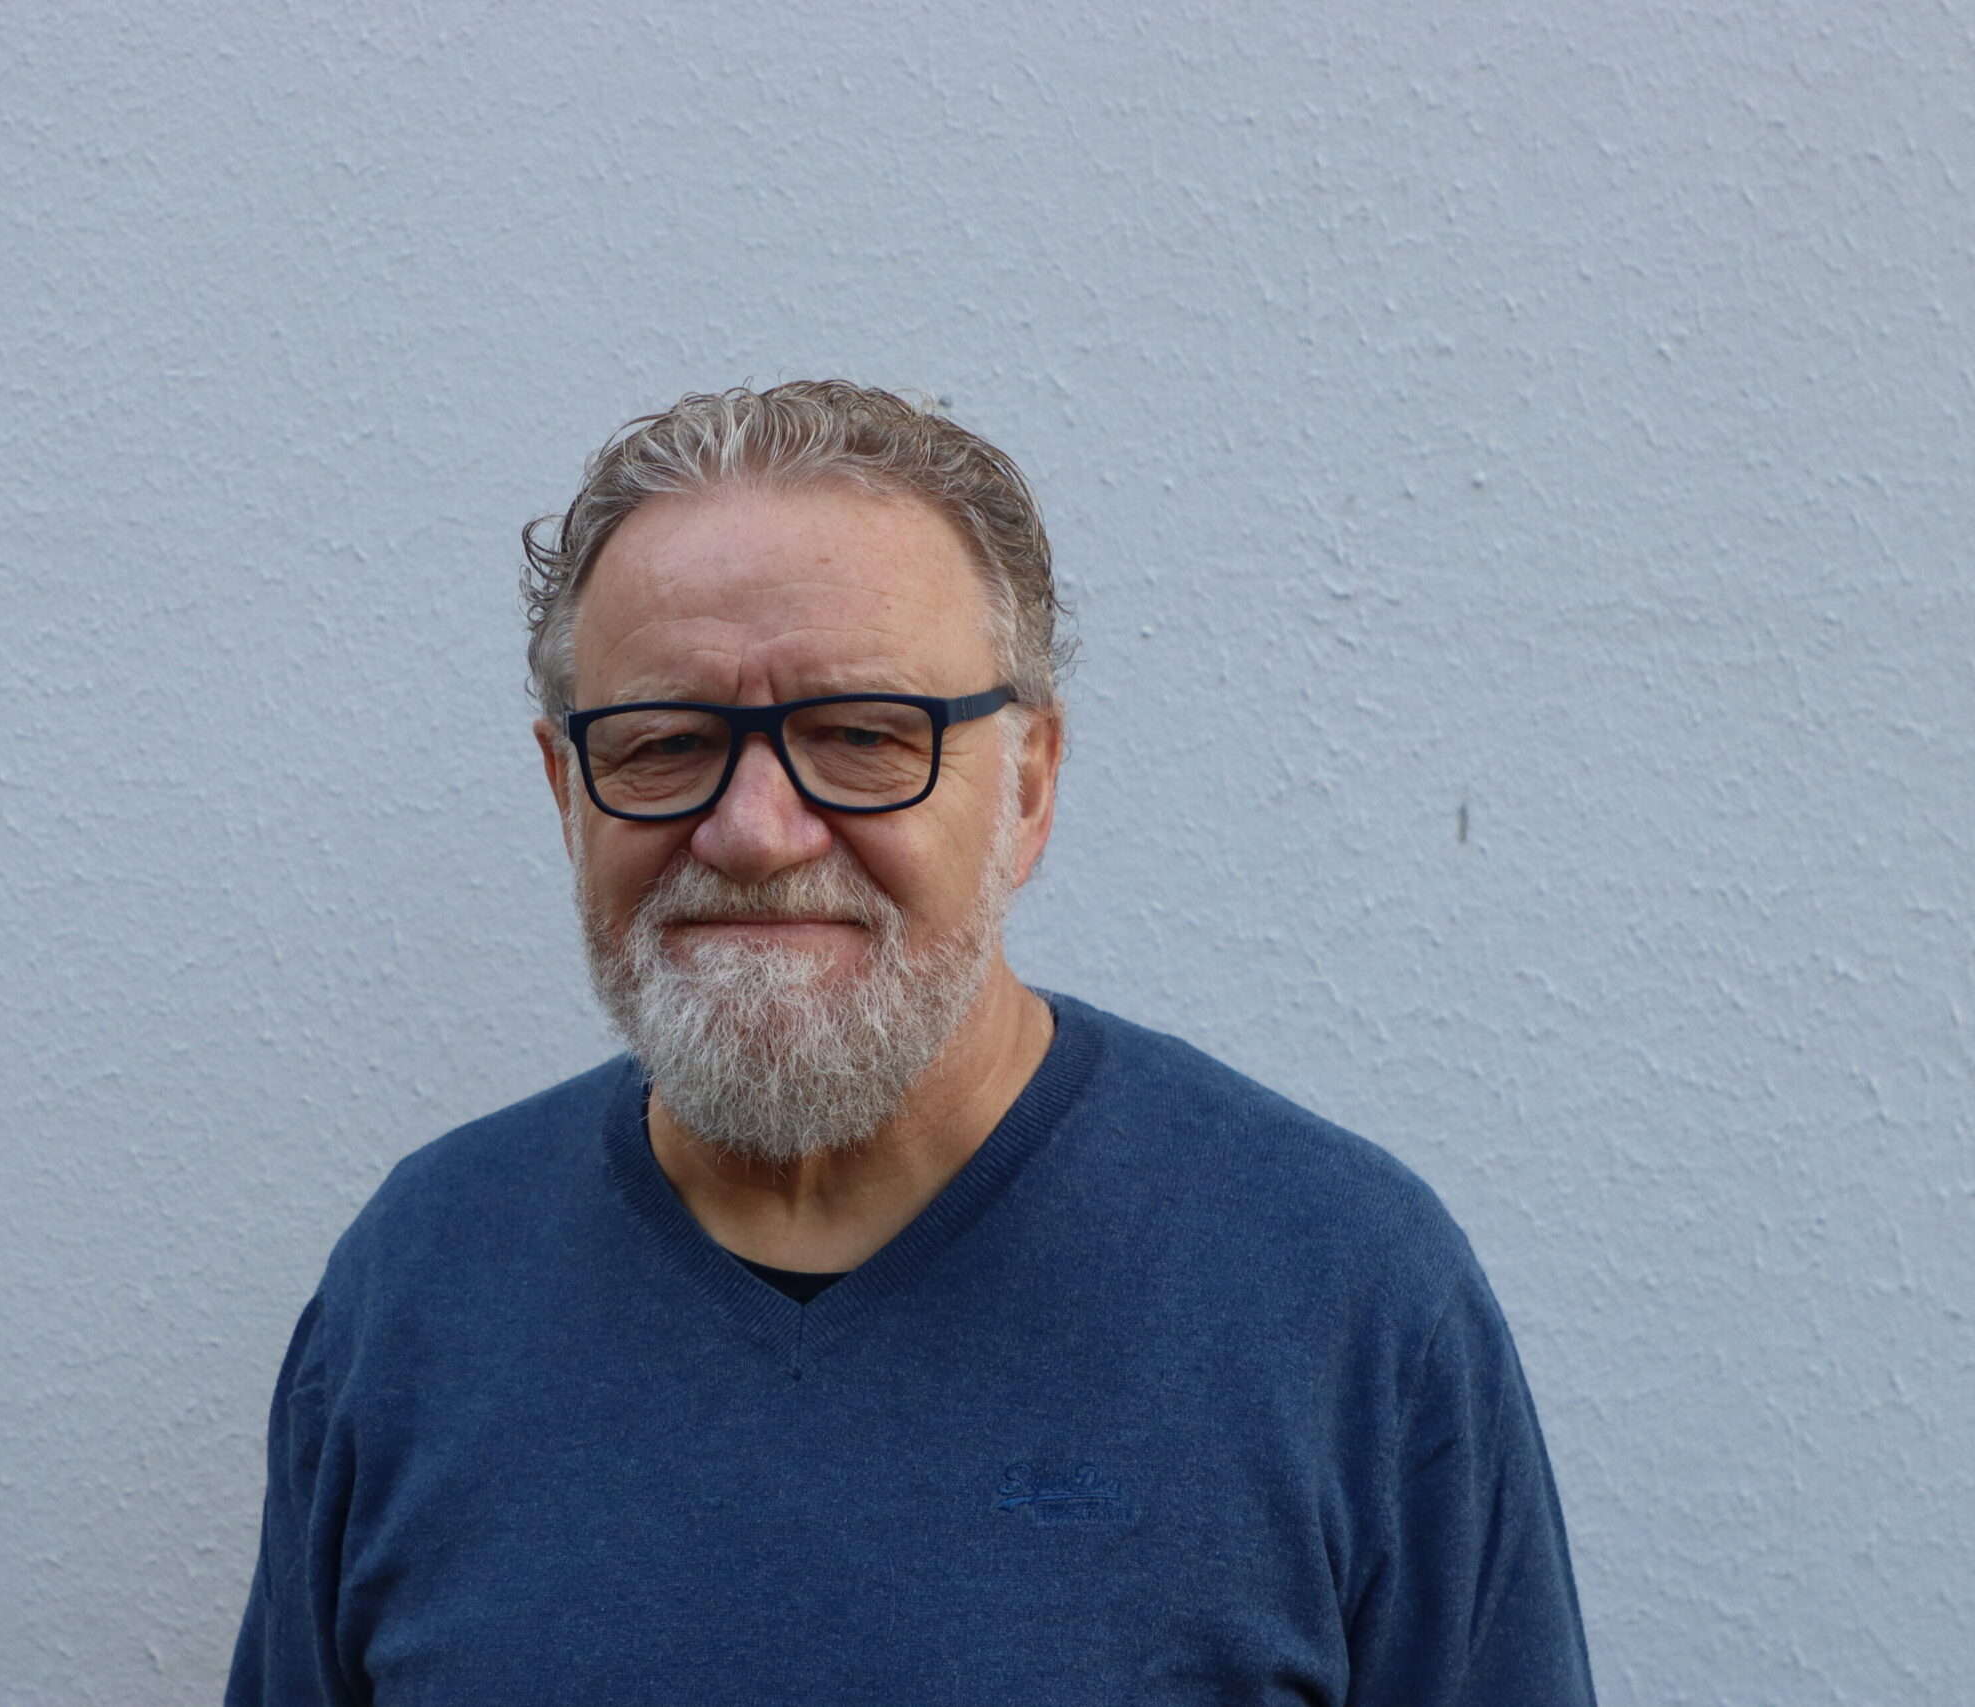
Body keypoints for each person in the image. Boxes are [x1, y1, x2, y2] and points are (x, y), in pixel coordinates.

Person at [226, 381, 1596, 1705]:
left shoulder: (1341, 1296)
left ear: (1029, 787)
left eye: (863, 735)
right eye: (662, 744)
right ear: (565, 790)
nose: (753, 832)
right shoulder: (417, 1289)